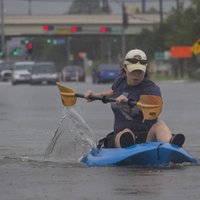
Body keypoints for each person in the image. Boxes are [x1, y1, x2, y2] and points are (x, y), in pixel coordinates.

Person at [85, 49, 185, 148]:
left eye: (139, 71)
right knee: (125, 132)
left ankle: (170, 143)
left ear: (145, 69)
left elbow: (154, 110)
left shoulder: (151, 89)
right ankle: (127, 145)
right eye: (133, 71)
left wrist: (128, 103)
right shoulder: (120, 81)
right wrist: (95, 96)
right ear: (125, 67)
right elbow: (111, 92)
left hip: (147, 137)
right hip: (123, 136)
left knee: (160, 125)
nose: (136, 75)